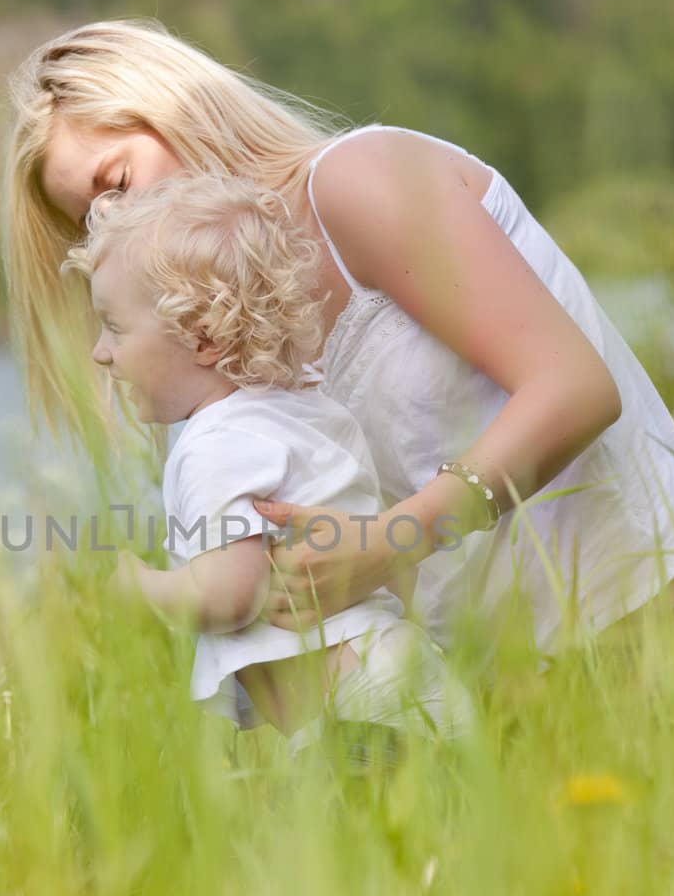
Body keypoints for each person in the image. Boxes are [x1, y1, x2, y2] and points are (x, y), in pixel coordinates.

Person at [4, 18, 674, 664]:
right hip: (501, 698)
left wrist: (392, 543)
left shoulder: (360, 179)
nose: (112, 222)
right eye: (87, 219)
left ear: (176, 111)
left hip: (653, 633)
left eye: (116, 181)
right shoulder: (211, 340)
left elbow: (574, 389)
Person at [60, 171, 476, 750]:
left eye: (113, 327)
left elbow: (232, 594)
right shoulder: (301, 414)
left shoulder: (216, 441)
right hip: (405, 686)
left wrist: (136, 587)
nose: (101, 353)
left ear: (202, 339)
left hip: (364, 717)